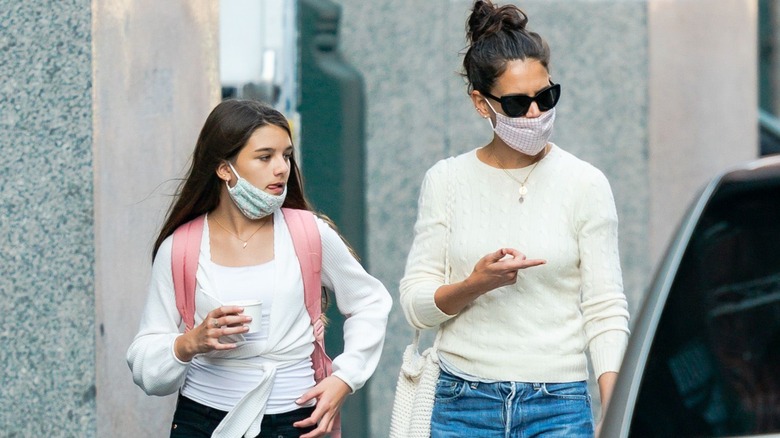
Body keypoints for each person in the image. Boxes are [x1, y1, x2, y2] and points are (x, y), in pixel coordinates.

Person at [399, 1, 630, 436]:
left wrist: (615, 409)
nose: (535, 114)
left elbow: (604, 308)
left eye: (546, 97)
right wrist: (475, 284)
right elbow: (415, 307)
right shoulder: (447, 180)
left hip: (560, 403)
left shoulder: (585, 183)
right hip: (461, 402)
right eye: (517, 103)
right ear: (480, 103)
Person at [127, 99, 392, 438]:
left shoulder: (309, 233)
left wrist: (345, 377)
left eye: (286, 155)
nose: (281, 168)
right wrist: (190, 343)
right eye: (265, 157)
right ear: (224, 169)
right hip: (204, 422)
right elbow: (143, 358)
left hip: (297, 420)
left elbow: (369, 301)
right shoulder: (180, 248)